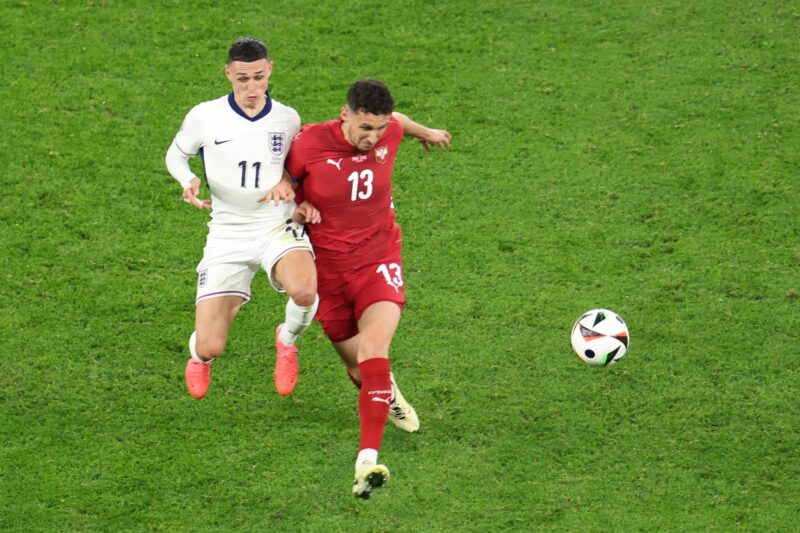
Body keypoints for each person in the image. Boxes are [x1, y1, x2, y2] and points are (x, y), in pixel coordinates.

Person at [284, 79, 452, 498]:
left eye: (378, 128)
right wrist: (298, 205)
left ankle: (367, 460)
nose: (372, 137)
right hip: (328, 272)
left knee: (374, 350)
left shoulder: (389, 129)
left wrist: (427, 132)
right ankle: (385, 391)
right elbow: (283, 184)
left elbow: (400, 122)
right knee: (359, 369)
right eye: (364, 128)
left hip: (378, 259)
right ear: (345, 115)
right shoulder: (308, 143)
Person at [165, 37, 319, 400]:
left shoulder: (288, 118)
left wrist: (291, 186)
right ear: (228, 74)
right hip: (228, 233)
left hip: (276, 225)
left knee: (305, 290)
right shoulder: (205, 116)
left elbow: (301, 166)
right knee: (211, 345)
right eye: (243, 79)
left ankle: (286, 340)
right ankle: (199, 357)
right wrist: (187, 179)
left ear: (270, 71)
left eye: (259, 77)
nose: (252, 87)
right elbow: (176, 155)